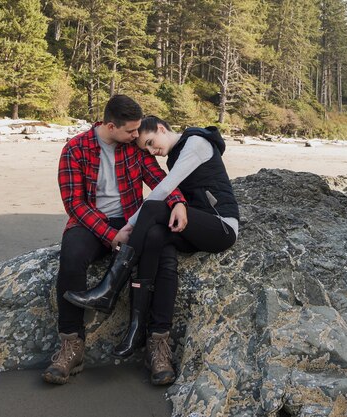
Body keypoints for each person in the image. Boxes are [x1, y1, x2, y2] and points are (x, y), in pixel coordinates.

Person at [65, 116, 239, 385]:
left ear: (161, 129)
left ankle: (111, 285)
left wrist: (127, 229)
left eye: (150, 143)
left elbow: (163, 190)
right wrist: (178, 205)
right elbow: (176, 193)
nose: (151, 151)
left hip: (220, 227)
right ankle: (140, 330)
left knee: (151, 209)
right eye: (146, 149)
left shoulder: (196, 143)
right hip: (192, 223)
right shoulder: (175, 155)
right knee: (156, 237)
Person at [42, 96, 187, 385]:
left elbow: (158, 180)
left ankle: (157, 344)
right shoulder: (75, 149)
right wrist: (110, 235)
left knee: (165, 258)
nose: (137, 136)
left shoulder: (133, 149)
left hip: (133, 221)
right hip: (91, 222)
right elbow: (74, 203)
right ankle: (72, 345)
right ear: (110, 126)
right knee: (71, 257)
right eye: (131, 131)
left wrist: (178, 202)